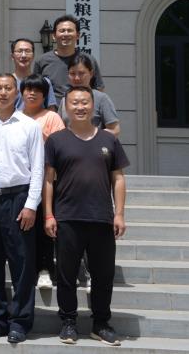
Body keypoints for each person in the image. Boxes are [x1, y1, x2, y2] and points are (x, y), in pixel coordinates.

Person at [44, 86, 128, 347]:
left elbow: (118, 178)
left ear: (93, 106)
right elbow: (48, 180)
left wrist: (119, 213)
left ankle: (101, 323)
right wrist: (48, 214)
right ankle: (68, 322)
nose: (80, 107)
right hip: (67, 217)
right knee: (66, 274)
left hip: (101, 218)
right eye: (74, 103)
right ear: (66, 107)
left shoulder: (108, 140)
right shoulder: (56, 140)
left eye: (84, 102)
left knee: (103, 275)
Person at [0, 74, 44, 344]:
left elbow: (37, 168)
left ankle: (20, 322)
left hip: (19, 199)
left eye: (8, 88)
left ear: (17, 92)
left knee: (22, 264)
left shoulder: (29, 126)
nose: (3, 92)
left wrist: (31, 205)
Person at [19, 74, 65, 289]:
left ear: (45, 95)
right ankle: (27, 268)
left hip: (46, 180)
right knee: (24, 227)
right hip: (21, 182)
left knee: (43, 227)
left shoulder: (52, 117)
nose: (32, 93)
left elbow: (61, 149)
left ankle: (45, 269)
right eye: (28, 89)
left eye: (37, 91)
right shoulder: (15, 117)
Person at [33, 14, 104, 100]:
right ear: (54, 36)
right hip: (52, 108)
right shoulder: (42, 61)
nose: (66, 34)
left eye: (70, 30)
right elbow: (36, 89)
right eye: (62, 31)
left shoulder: (88, 60)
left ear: (78, 35)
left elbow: (99, 88)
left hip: (80, 107)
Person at [59, 53, 120, 136]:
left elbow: (115, 129)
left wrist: (90, 137)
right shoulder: (64, 99)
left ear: (91, 73)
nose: (77, 78)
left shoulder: (101, 98)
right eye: (72, 73)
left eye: (81, 73)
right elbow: (60, 128)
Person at [10, 38, 58, 111]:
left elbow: (51, 109)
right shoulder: (6, 83)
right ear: (12, 56)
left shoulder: (44, 82)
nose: (23, 55)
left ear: (33, 55)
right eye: (19, 51)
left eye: (27, 51)